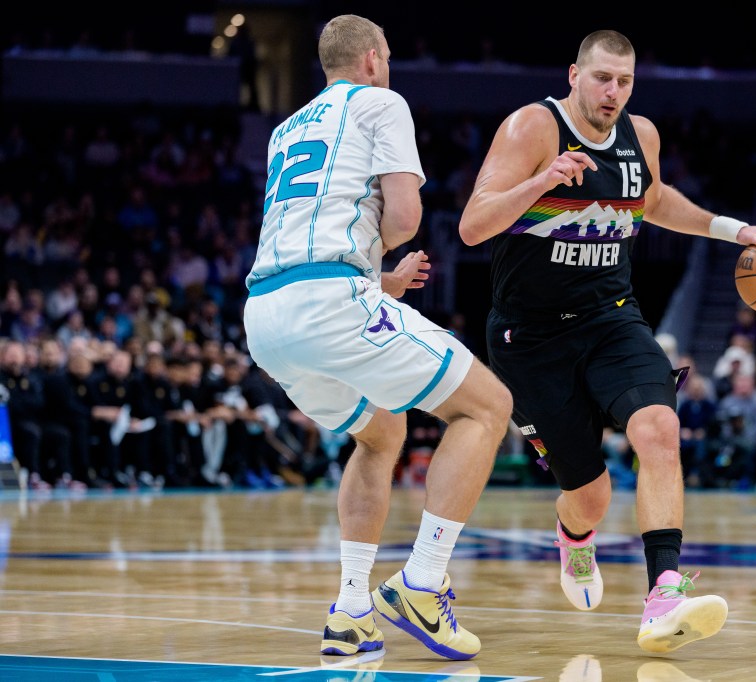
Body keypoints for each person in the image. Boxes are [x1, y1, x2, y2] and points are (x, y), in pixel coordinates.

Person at [458, 29, 756, 654]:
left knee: (659, 428)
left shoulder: (641, 135)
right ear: (574, 75)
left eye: (624, 81)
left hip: (611, 317)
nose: (613, 92)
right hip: (529, 336)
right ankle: (574, 535)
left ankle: (664, 594)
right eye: (602, 78)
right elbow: (472, 227)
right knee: (591, 497)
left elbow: (655, 200)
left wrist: (735, 230)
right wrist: (541, 182)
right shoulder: (532, 128)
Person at [241, 15, 512, 662]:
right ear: (370, 59)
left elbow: (310, 229)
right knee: (487, 407)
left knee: (382, 432)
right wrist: (375, 262)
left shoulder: (286, 128)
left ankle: (351, 610)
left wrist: (375, 279)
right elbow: (406, 217)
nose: (387, 67)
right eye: (386, 57)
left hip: (265, 315)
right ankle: (423, 582)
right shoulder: (381, 102)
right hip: (329, 301)